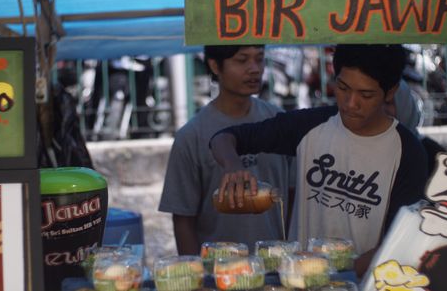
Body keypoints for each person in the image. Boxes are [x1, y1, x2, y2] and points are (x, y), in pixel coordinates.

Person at [210, 44, 428, 276]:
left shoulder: (407, 152)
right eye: (343, 88)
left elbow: (398, 239)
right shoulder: (311, 125)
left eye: (366, 95)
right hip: (298, 281)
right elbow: (224, 138)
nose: (350, 103)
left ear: (391, 91)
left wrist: (335, 276)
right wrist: (232, 166)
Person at [158, 45, 295, 255]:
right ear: (214, 65)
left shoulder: (279, 122)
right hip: (220, 273)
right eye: (242, 60)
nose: (254, 69)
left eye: (259, 59)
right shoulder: (191, 136)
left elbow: (294, 196)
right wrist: (198, 277)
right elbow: (183, 219)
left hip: (276, 270)